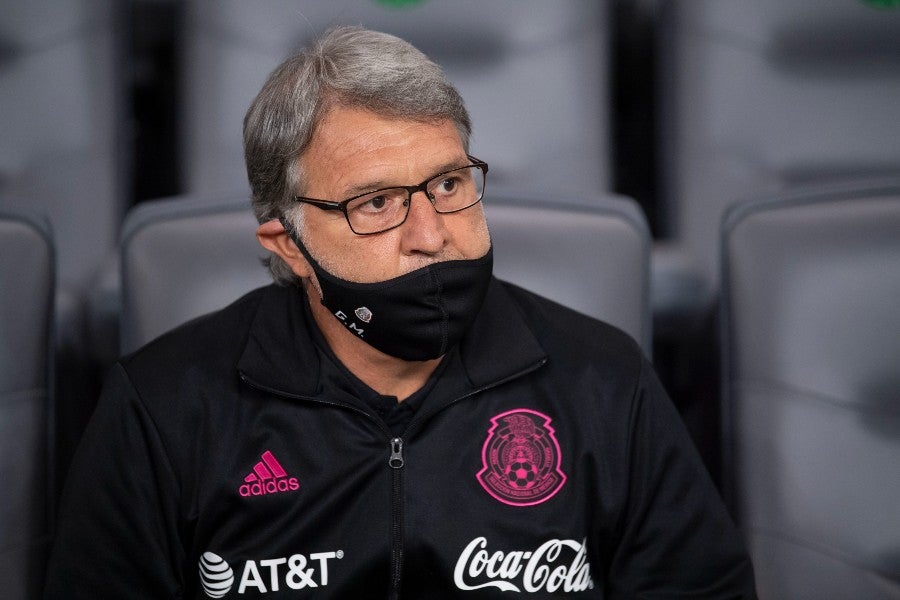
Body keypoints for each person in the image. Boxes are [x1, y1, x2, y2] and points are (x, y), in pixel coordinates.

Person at [45, 26, 755, 599]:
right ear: (290, 245)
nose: (431, 233)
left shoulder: (604, 379)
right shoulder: (165, 404)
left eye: (447, 184)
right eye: (376, 202)